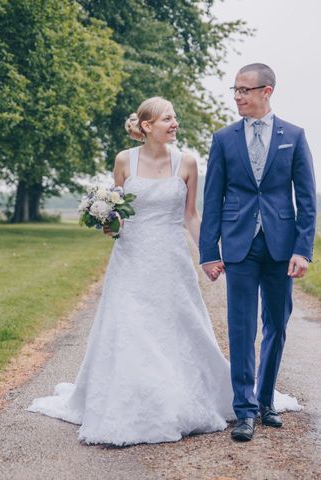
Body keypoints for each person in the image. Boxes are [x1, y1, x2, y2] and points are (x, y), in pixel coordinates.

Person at [27, 96, 300, 445]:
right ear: (146, 126)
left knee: (178, 325)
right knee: (129, 327)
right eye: (167, 119)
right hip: (131, 257)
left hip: (170, 258)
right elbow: (118, 211)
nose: (174, 124)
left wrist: (210, 255)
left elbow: (191, 215)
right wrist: (109, 223)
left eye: (174, 118)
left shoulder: (186, 162)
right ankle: (131, 402)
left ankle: (180, 396)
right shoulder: (124, 160)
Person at [200, 64, 317, 442]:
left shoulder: (294, 136)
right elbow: (212, 198)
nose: (238, 96)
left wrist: (303, 249)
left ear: (267, 91)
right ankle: (245, 410)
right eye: (234, 89)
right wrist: (208, 251)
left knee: (277, 326)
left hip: (282, 246)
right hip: (239, 244)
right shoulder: (223, 138)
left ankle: (266, 401)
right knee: (241, 326)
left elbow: (306, 199)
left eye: (245, 90)